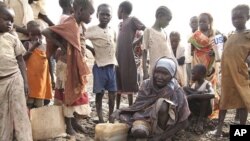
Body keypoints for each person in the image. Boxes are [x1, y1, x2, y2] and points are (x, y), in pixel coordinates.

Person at [42, 0, 94, 135]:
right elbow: (46, 31)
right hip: (66, 66)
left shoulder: (79, 24)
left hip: (75, 64)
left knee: (77, 92)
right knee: (68, 93)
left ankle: (75, 122)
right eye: (90, 14)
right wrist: (60, 44)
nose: (91, 17)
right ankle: (68, 125)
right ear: (81, 10)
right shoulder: (69, 23)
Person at [111, 57, 190, 141]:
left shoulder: (177, 91)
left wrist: (162, 136)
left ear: (172, 75)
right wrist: (120, 111)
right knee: (139, 131)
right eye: (157, 72)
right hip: (145, 119)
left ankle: (160, 134)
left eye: (165, 74)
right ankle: (147, 134)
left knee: (163, 104)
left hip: (165, 128)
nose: (159, 76)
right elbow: (137, 106)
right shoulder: (146, 85)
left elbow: (184, 122)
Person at [211, 4, 250, 137]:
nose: (237, 20)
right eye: (234, 18)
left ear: (248, 17)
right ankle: (219, 129)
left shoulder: (248, 35)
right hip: (227, 75)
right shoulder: (231, 34)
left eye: (240, 17)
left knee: (242, 102)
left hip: (240, 74)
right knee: (224, 102)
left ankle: (241, 132)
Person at [0, 2, 32, 140]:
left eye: (12, 21)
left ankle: (24, 138)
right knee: (3, 114)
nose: (10, 23)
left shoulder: (12, 38)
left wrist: (25, 81)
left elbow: (20, 60)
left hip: (15, 78)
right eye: (6, 19)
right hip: (1, 82)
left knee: (20, 113)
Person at [85, 3, 117, 123]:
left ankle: (111, 117)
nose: (105, 17)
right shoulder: (92, 30)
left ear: (111, 17)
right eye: (102, 14)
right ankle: (101, 119)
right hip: (100, 67)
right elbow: (80, 38)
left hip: (112, 67)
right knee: (100, 94)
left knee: (112, 94)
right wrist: (91, 49)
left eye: (107, 15)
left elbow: (114, 44)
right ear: (97, 15)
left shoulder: (112, 30)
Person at [116, 1, 145, 109]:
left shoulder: (132, 20)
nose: (117, 13)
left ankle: (130, 107)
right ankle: (117, 108)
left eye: (117, 10)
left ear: (122, 9)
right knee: (118, 80)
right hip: (119, 57)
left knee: (128, 81)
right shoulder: (120, 24)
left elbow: (145, 30)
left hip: (128, 57)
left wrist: (137, 42)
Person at [23, 20, 52, 108]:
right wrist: (33, 47)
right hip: (30, 80)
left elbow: (49, 61)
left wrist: (53, 78)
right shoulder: (27, 44)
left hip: (41, 81)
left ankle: (37, 121)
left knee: (40, 104)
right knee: (29, 103)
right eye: (33, 34)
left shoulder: (45, 46)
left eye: (39, 34)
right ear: (29, 34)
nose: (37, 37)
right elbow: (23, 58)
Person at [142, 6, 174, 80]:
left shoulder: (165, 33)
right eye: (167, 20)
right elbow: (144, 52)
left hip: (167, 70)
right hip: (155, 70)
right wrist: (145, 71)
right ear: (160, 16)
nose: (168, 23)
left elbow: (169, 53)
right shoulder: (149, 31)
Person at [183, 64, 214, 134]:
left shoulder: (207, 84)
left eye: (193, 73)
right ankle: (189, 116)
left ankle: (200, 121)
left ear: (201, 74)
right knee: (185, 88)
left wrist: (193, 96)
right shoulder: (193, 85)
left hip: (206, 110)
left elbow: (212, 94)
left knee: (204, 94)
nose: (191, 75)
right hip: (196, 110)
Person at [186, 16, 198, 86]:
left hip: (198, 61)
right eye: (192, 22)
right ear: (189, 24)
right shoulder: (188, 35)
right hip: (189, 60)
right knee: (189, 81)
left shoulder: (201, 35)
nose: (194, 24)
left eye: (196, 22)